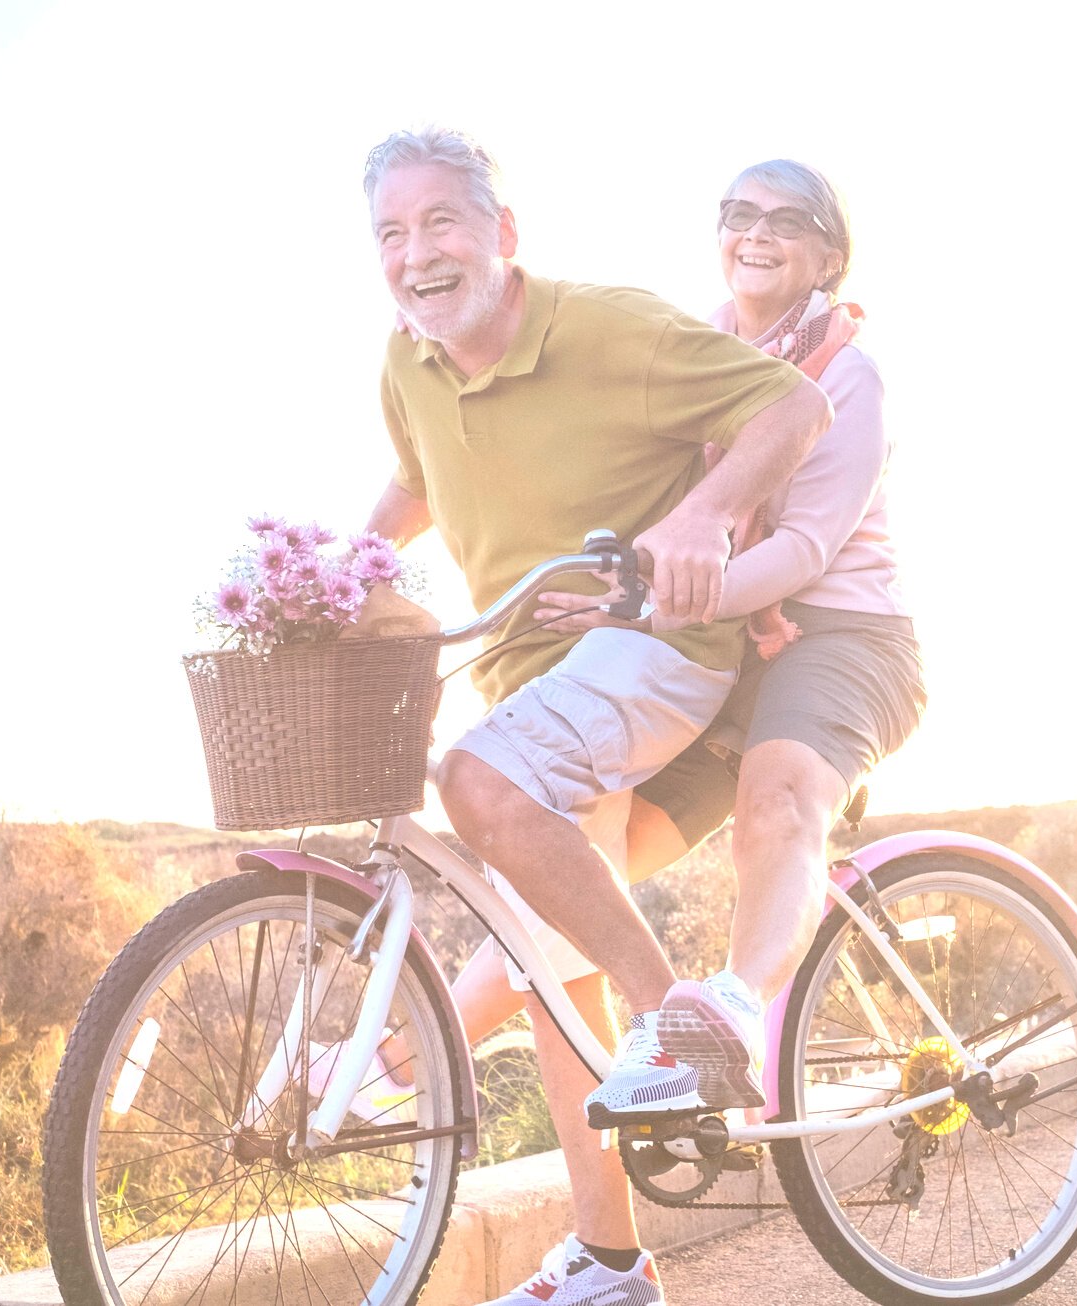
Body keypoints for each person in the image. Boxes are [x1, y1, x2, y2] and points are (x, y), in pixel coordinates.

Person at [359, 128, 831, 1306]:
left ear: (503, 235)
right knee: (547, 964)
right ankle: (613, 1261)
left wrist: (706, 517)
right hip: (531, 675)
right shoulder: (407, 365)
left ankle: (676, 1022)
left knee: (475, 781)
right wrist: (334, 570)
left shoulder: (607, 327)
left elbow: (793, 405)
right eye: (390, 234)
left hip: (653, 647)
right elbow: (418, 484)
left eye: (440, 224)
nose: (417, 254)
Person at [448, 159, 923, 1306]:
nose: (757, 235)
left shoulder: (846, 376)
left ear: (827, 257)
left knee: (776, 803)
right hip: (716, 653)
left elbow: (805, 554)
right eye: (738, 217)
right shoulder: (704, 347)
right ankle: (421, 1070)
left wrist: (662, 602)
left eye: (787, 222)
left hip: (839, 641)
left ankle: (729, 1019)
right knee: (568, 882)